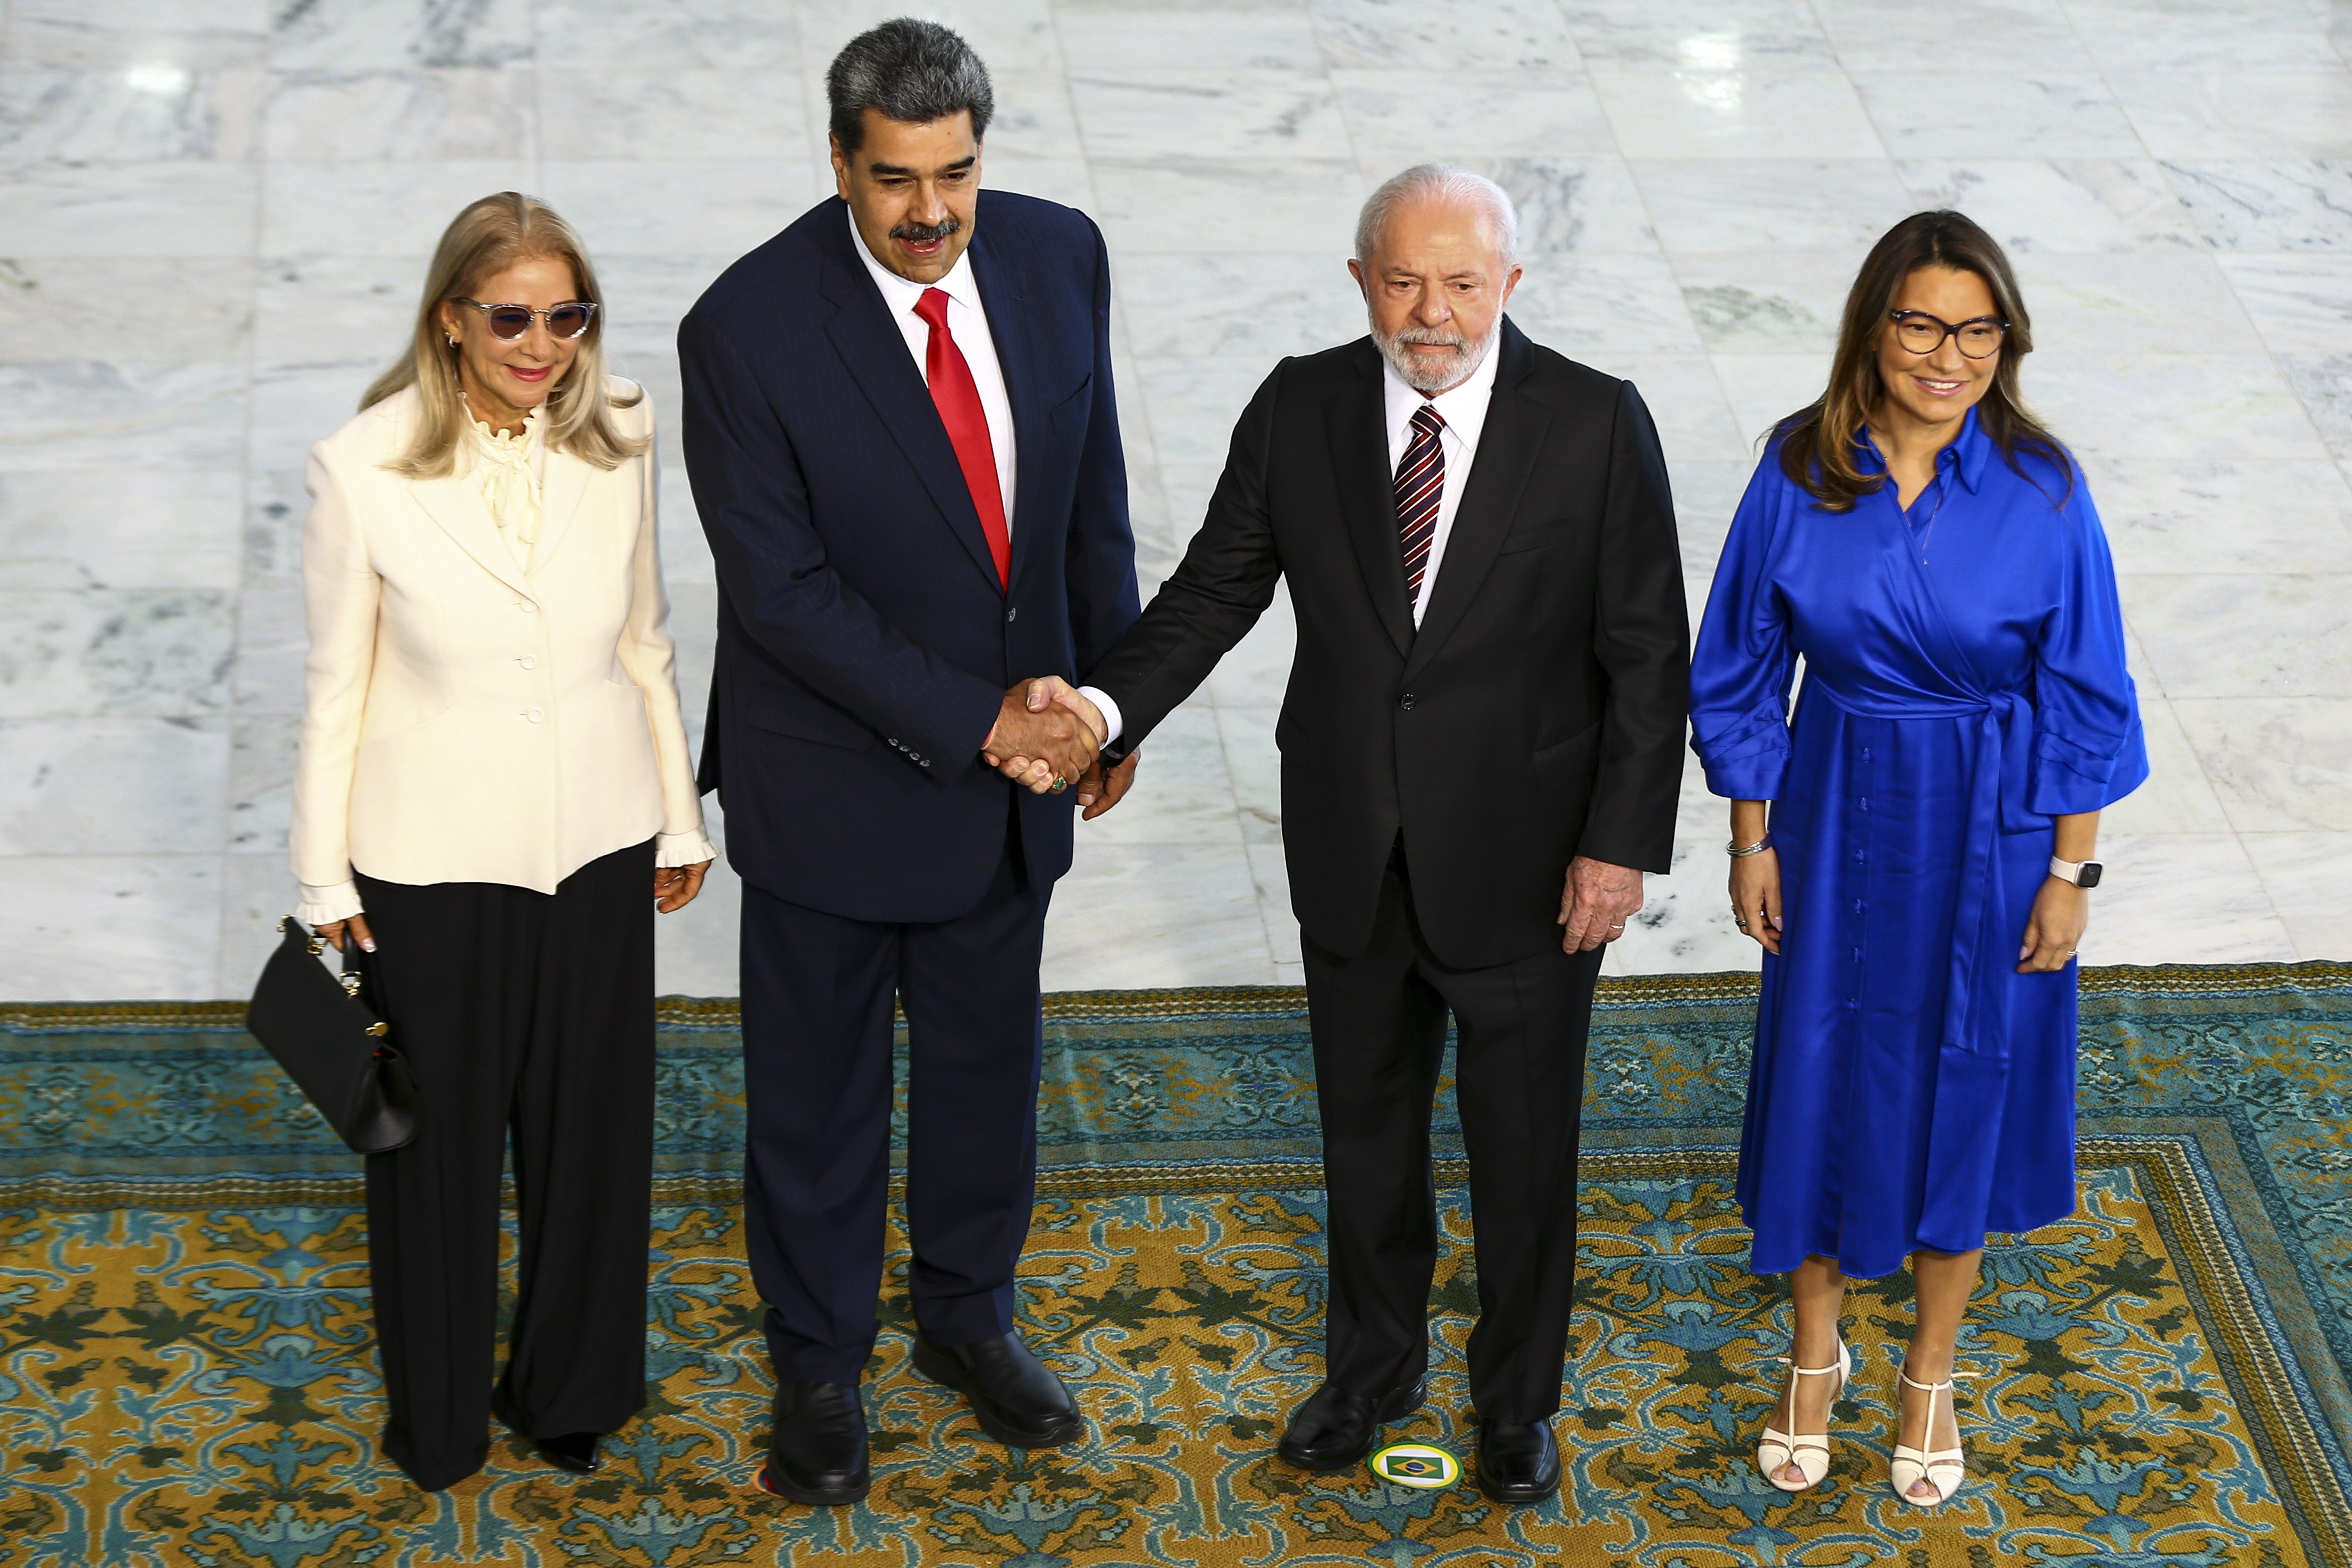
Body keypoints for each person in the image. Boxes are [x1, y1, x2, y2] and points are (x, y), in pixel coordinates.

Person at [1038, 164, 1688, 1505]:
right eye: (1404, 281)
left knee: (1524, 1153)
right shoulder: (1300, 406)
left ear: (1512, 283)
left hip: (1532, 861)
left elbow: (1647, 656)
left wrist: (1618, 847)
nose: (1433, 311)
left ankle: (1517, 1401)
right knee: (1368, 1140)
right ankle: (1372, 1368)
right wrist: (1101, 708)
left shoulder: (1595, 424)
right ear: (1359, 283)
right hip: (1353, 847)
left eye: (1462, 282)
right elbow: (1214, 588)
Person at [677, 20, 1138, 1508]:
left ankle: (965, 1320)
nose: (930, 213)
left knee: (986, 1070)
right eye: (895, 182)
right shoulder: (745, 329)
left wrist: (1108, 703)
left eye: (955, 174)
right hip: (833, 783)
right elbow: (783, 595)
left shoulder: (1061, 257)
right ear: (839, 164)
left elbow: (1089, 491)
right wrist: (990, 722)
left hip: (1013, 790)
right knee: (813, 1101)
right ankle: (817, 1362)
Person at [1687, 210, 2147, 1508]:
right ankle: (1815, 1353)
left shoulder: (2044, 488)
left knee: (1967, 1072)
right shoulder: (1797, 466)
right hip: (1835, 809)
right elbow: (1735, 669)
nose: (1951, 357)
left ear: (2008, 341)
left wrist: (2072, 875)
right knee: (1825, 1068)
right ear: (1873, 329)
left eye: (1979, 330)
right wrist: (1751, 840)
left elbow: (2087, 695)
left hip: (1993, 829)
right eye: (1923, 325)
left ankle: (1931, 1372)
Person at [289, 192, 716, 1491]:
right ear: (452, 319)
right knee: (434, 1159)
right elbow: (335, 688)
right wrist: (323, 876)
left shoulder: (625, 432)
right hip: (426, 866)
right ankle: (440, 1419)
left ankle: (572, 1389)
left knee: (594, 1136)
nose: (545, 345)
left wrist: (674, 814)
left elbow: (644, 640)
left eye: (569, 316)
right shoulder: (359, 467)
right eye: (515, 317)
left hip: (595, 841)